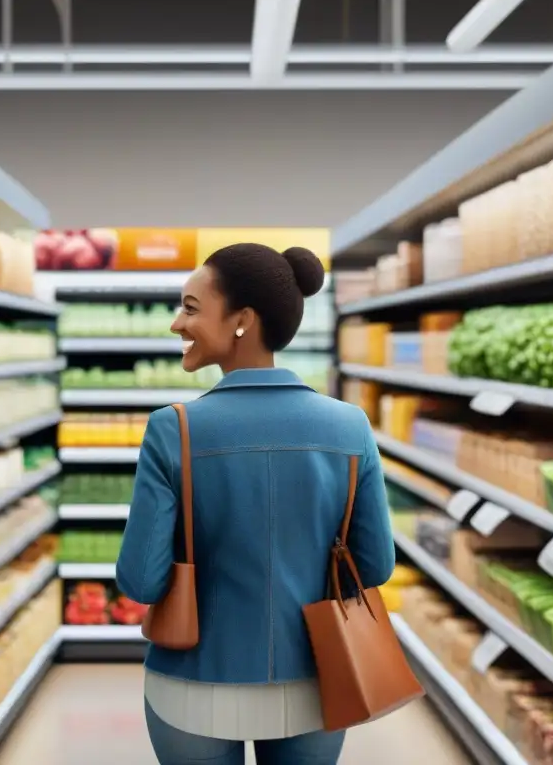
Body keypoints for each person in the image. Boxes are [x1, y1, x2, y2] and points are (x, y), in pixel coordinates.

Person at [115, 243, 395, 765]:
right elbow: (375, 565)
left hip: (192, 684)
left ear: (242, 320)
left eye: (191, 308)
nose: (177, 323)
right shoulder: (349, 426)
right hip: (315, 677)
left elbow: (141, 580)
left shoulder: (171, 429)